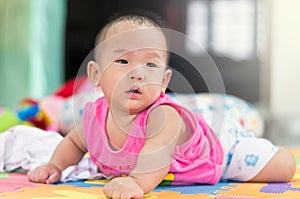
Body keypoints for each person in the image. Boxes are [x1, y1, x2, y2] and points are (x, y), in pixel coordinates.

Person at [28, 10, 296, 199]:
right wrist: (55, 166)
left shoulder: (162, 116)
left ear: (165, 79)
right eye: (122, 61)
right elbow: (74, 143)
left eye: (151, 64)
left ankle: (271, 143)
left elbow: (155, 154)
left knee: (283, 168)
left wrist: (135, 183)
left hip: (220, 152)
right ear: (96, 74)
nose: (138, 73)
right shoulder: (93, 117)